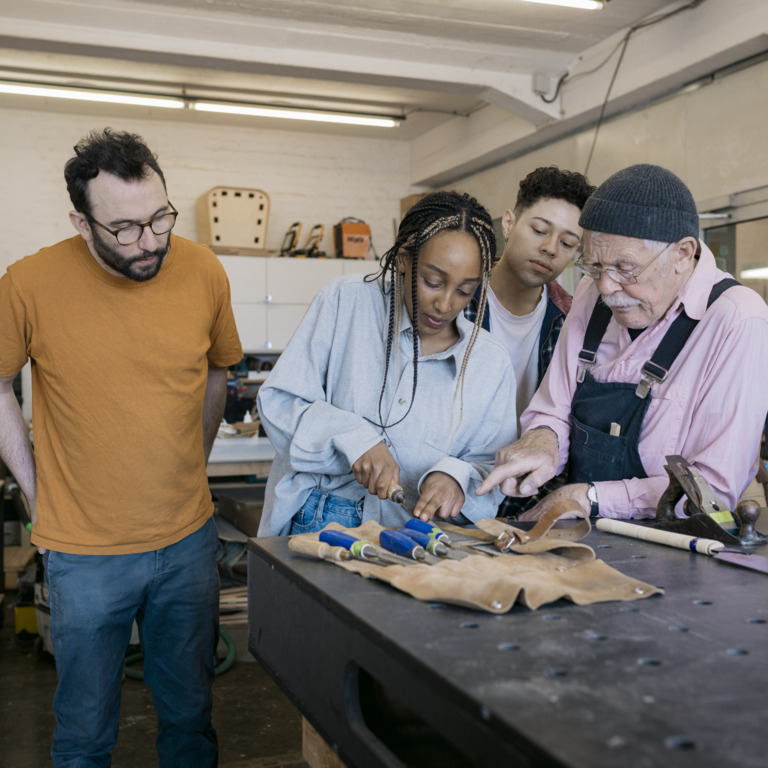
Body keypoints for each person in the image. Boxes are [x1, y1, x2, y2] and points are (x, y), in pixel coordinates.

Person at [0, 128, 243, 766]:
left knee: (191, 719)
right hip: (84, 554)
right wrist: (33, 489)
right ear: (82, 223)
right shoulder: (28, 283)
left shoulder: (203, 270)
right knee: (84, 735)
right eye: (125, 229)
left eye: (158, 218)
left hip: (188, 541)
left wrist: (197, 451)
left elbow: (219, 368)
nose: (150, 242)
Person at [477, 163, 768, 522]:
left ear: (682, 254)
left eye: (626, 268)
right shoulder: (591, 292)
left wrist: (591, 498)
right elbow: (554, 405)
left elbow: (713, 491)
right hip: (589, 528)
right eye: (595, 266)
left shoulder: (738, 319)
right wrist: (543, 440)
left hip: (685, 535)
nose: (606, 287)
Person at [257, 191, 517, 537]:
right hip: (319, 518)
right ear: (405, 259)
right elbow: (279, 403)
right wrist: (353, 438)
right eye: (432, 282)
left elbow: (491, 467)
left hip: (416, 532)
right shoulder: (345, 301)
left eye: (465, 290)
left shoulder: (491, 361)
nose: (444, 303)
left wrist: (455, 477)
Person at [464, 165, 594, 431]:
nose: (550, 248)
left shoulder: (571, 319)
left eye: (567, 243)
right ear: (509, 223)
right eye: (539, 230)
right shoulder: (457, 300)